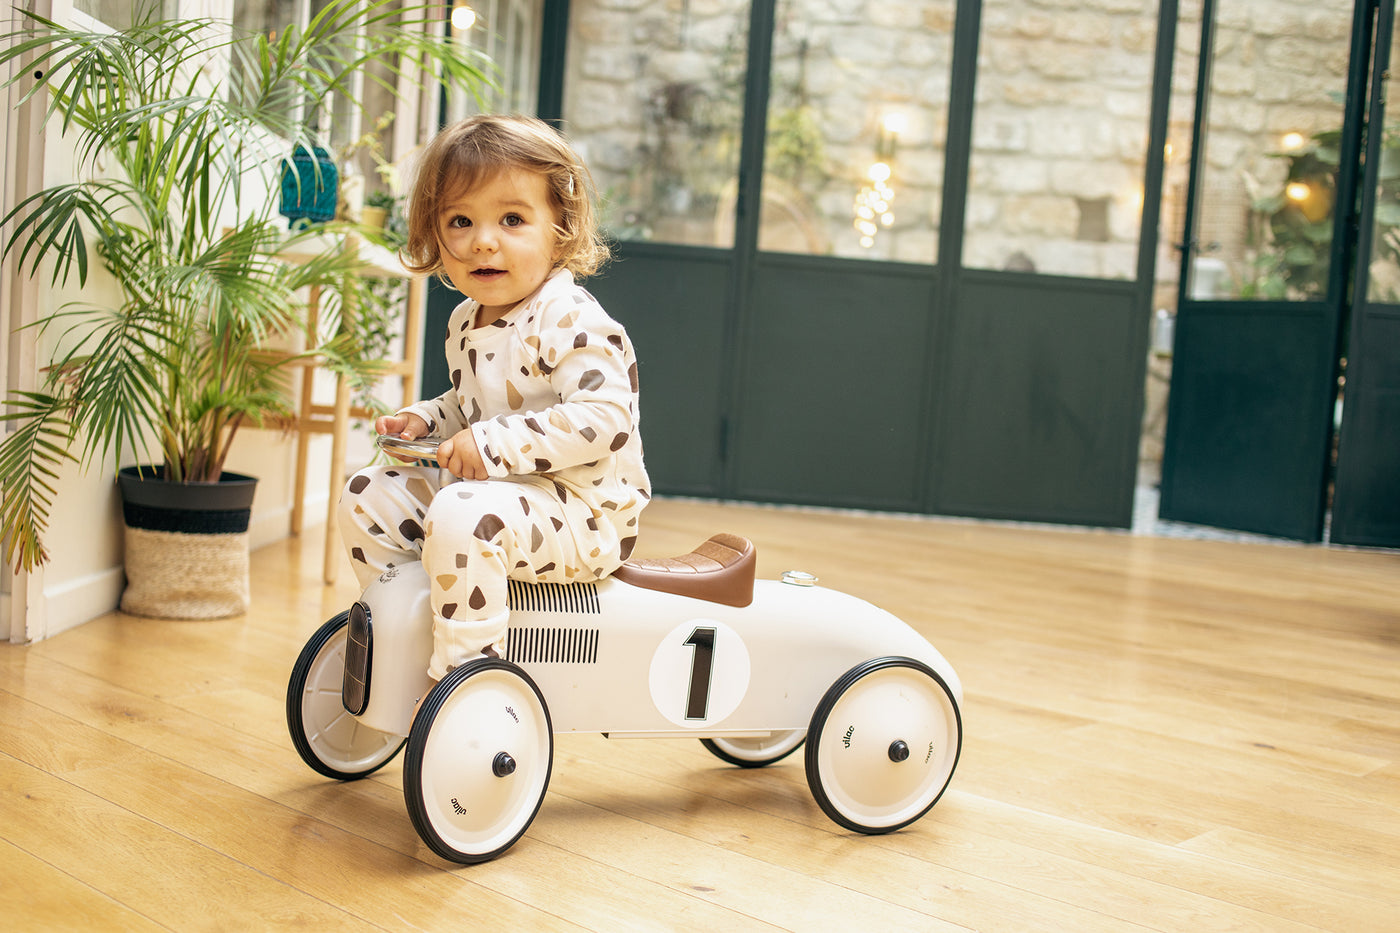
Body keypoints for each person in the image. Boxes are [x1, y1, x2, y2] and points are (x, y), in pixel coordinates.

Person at [338, 114, 649, 685]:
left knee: (463, 511)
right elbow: (473, 404)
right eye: (461, 221)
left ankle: (466, 674)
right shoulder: (465, 320)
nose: (483, 240)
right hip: (499, 498)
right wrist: (427, 419)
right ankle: (406, 629)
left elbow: (606, 418)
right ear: (435, 235)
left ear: (560, 229)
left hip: (580, 514)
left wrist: (489, 443)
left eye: (512, 219)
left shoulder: (568, 316)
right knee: (367, 494)